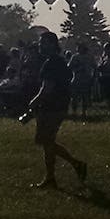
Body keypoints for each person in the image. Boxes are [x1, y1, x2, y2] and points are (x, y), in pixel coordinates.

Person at [21, 31, 88, 190]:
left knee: (46, 141)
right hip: (58, 105)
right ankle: (51, 177)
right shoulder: (59, 61)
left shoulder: (51, 63)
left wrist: (33, 103)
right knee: (47, 142)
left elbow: (47, 88)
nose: (40, 45)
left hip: (51, 106)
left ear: (52, 44)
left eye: (43, 42)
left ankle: (75, 165)